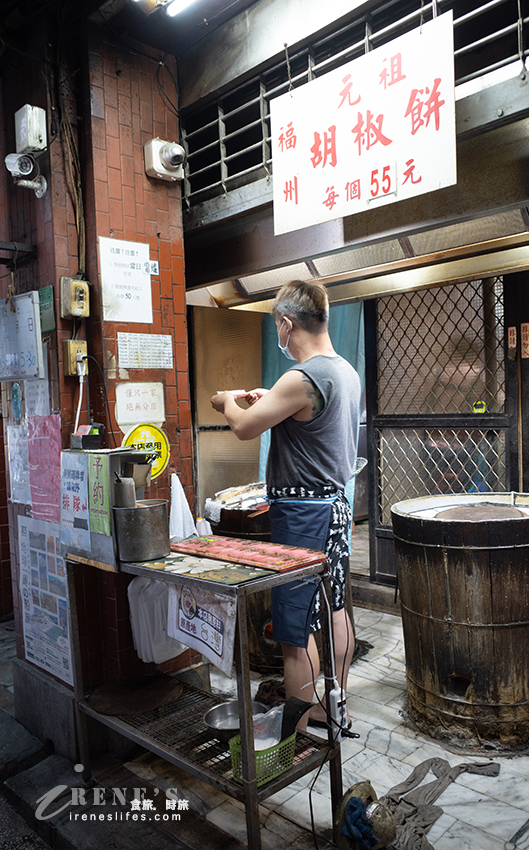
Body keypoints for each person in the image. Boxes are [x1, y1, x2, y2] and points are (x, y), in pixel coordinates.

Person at [210, 279, 360, 735]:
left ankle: (295, 730)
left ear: (286, 323)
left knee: (296, 630)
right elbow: (295, 408)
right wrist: (266, 395)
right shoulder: (344, 372)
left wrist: (226, 401)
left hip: (303, 515)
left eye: (278, 325)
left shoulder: (303, 377)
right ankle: (331, 705)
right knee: (335, 610)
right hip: (335, 507)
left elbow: (242, 428)